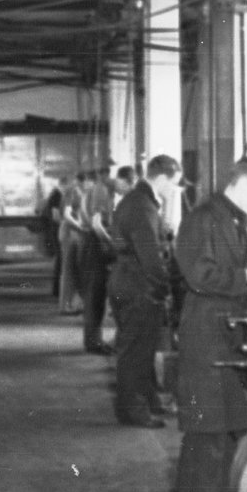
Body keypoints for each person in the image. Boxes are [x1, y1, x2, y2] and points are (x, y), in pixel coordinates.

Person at [169, 157, 247, 492]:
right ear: (243, 184)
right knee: (207, 421)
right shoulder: (204, 218)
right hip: (205, 330)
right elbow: (197, 274)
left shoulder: (233, 220)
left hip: (226, 331)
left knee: (232, 420)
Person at [111, 156, 182, 427]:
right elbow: (150, 256)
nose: (171, 191)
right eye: (171, 185)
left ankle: (148, 401)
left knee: (140, 348)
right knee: (136, 352)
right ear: (161, 178)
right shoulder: (142, 206)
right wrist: (164, 288)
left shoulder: (135, 201)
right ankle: (133, 411)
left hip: (126, 280)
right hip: (138, 285)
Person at [79, 168, 118, 353]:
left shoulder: (92, 191)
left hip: (90, 244)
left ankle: (92, 340)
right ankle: (94, 342)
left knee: (92, 296)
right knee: (95, 296)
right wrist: (110, 243)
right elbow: (96, 223)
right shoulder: (100, 191)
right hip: (95, 246)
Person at [57, 174, 85, 314]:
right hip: (70, 233)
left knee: (72, 270)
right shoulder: (73, 191)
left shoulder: (75, 191)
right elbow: (68, 216)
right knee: (68, 270)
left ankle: (72, 304)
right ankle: (65, 306)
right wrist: (81, 227)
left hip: (71, 232)